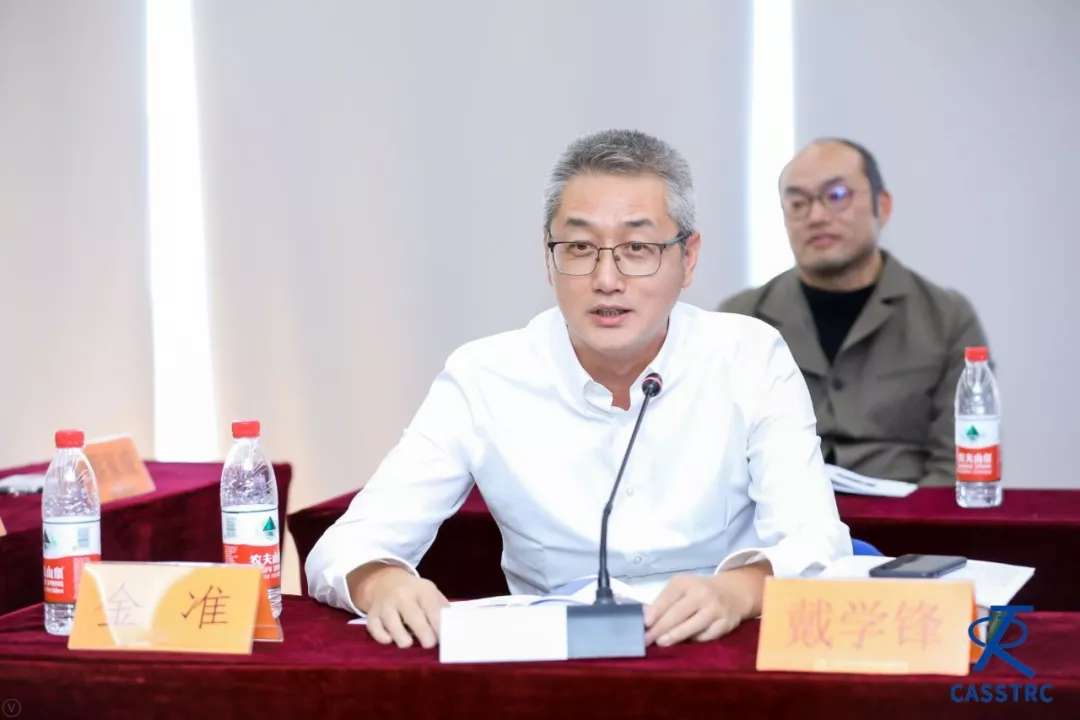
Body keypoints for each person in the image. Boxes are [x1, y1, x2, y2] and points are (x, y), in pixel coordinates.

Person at [306, 129, 850, 650]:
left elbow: (818, 544)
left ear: (688, 258)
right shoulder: (483, 377)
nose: (606, 279)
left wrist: (737, 592)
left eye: (637, 247)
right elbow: (345, 546)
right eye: (580, 247)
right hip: (556, 664)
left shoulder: (750, 357)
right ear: (549, 258)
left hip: (718, 651)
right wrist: (385, 583)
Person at [718, 138, 989, 486]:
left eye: (836, 196)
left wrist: (909, 519)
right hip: (776, 514)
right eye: (798, 203)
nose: (816, 216)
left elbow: (958, 464)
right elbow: (718, 455)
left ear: (882, 206)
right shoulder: (740, 320)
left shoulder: (947, 318)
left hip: (908, 515)